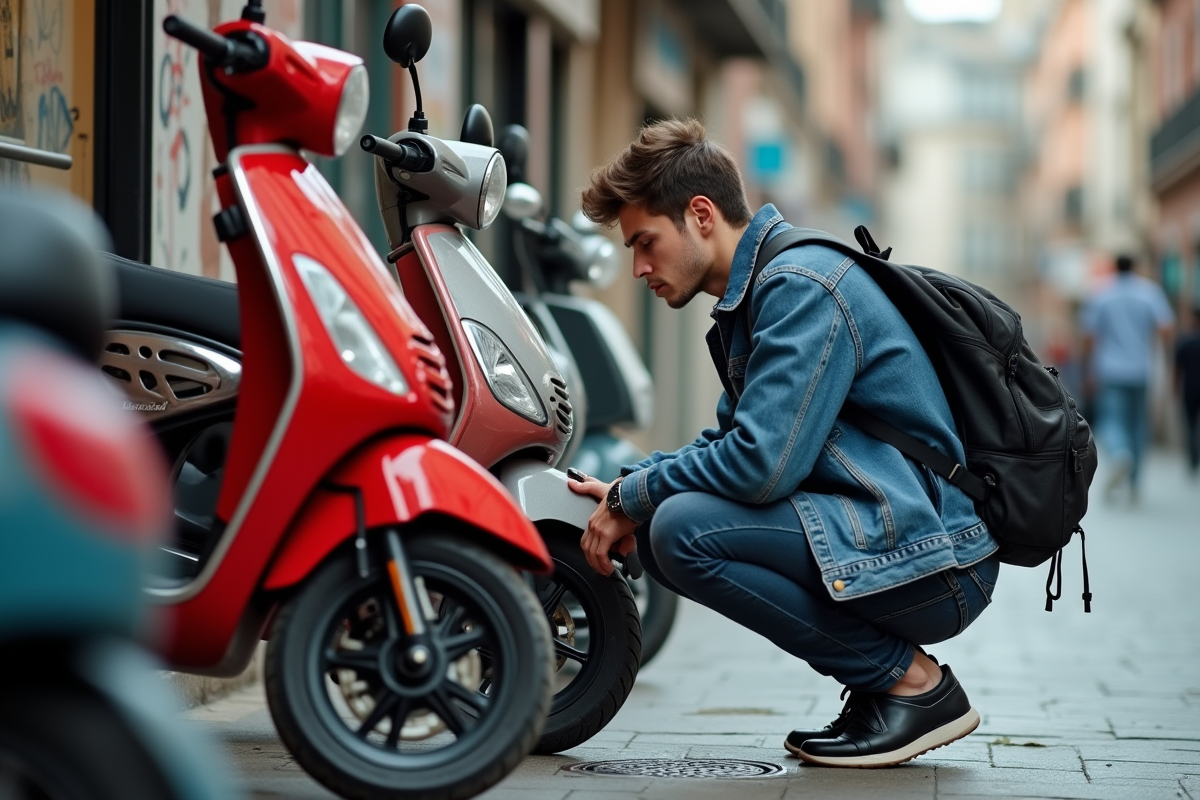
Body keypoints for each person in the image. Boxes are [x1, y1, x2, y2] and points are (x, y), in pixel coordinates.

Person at [566, 119, 999, 768]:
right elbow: (736, 442)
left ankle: (913, 685)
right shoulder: (766, 288)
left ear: (701, 215)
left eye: (645, 242)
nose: (638, 268)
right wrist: (633, 486)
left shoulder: (799, 287)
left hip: (936, 559)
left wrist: (640, 493)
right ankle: (882, 687)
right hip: (896, 534)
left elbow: (761, 467)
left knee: (681, 529)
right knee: (666, 523)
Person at [1079, 254, 1174, 502]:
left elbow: (1089, 335)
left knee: (1112, 420)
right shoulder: (1150, 292)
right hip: (1141, 370)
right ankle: (1134, 484)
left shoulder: (1101, 293)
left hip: (1109, 369)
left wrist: (1088, 368)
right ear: (1135, 267)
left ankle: (1120, 453)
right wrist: (1164, 359)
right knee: (1137, 425)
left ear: (1114, 268)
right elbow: (1165, 329)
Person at [1175, 312, 1200, 477]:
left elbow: (1176, 369)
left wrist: (1174, 388)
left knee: (1191, 425)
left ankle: (1193, 459)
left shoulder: (1185, 342)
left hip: (1189, 389)